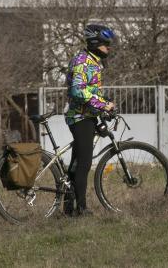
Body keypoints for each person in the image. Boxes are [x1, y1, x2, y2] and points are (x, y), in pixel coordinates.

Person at [64, 24, 116, 216]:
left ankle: (69, 209)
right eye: (105, 44)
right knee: (83, 165)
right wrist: (102, 105)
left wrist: (103, 101)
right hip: (79, 118)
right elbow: (78, 90)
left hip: (86, 116)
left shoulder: (91, 60)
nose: (109, 48)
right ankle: (82, 209)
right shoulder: (84, 61)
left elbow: (89, 89)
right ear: (95, 43)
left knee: (76, 165)